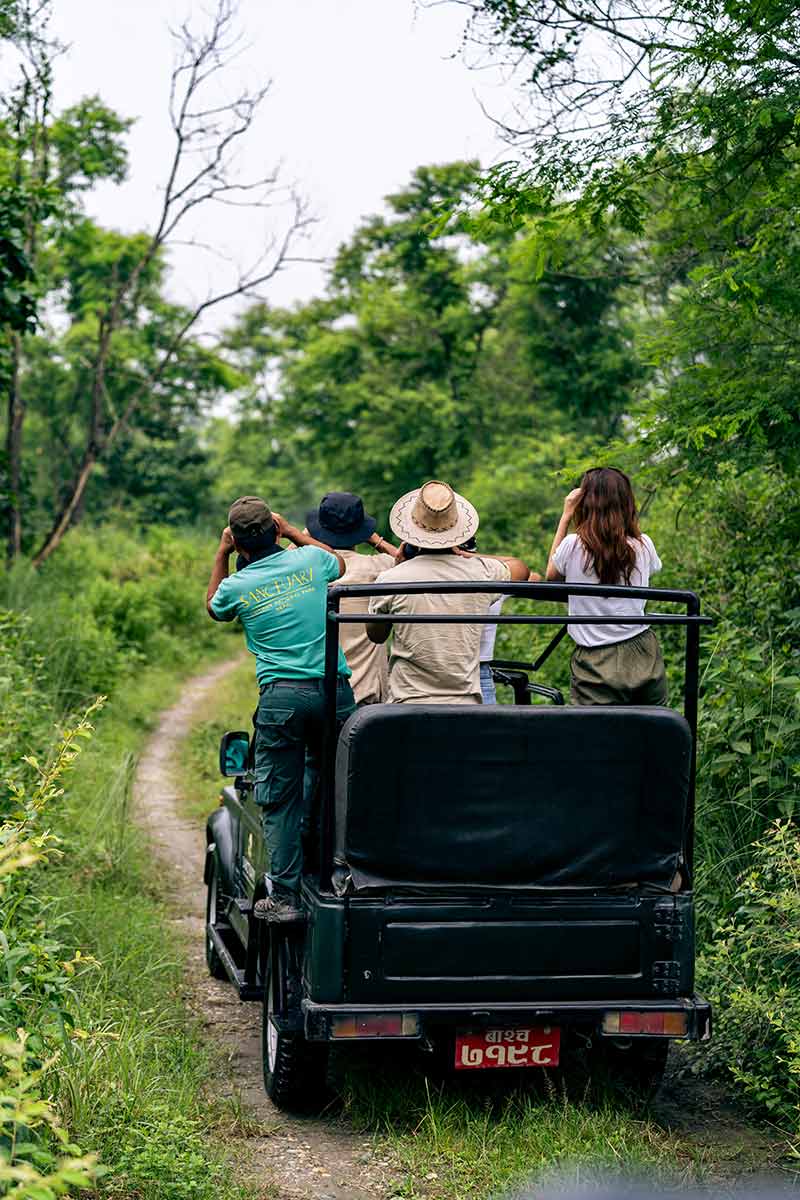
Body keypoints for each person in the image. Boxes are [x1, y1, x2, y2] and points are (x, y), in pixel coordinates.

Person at [206, 496, 356, 922]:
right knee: (338, 784)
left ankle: (287, 898)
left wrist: (221, 552)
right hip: (335, 691)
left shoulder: (237, 584)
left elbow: (214, 607)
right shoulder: (310, 559)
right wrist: (292, 532)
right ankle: (342, 875)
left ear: (237, 542)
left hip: (282, 699)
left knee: (280, 798)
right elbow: (340, 565)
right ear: (274, 529)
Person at [366, 480, 529, 704]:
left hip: (407, 704)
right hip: (465, 704)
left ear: (411, 536)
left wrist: (397, 568)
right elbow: (521, 569)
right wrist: (467, 556)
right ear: (458, 532)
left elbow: (376, 635)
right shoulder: (481, 573)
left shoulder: (391, 579)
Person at [543, 467, 667, 706]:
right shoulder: (643, 545)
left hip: (595, 658)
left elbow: (551, 575)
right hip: (643, 649)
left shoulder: (573, 545)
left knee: (596, 735)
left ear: (585, 502)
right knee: (650, 733)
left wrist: (566, 516)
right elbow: (651, 568)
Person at [305, 491, 399, 705]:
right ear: (362, 531)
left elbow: (280, 561)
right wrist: (378, 541)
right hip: (366, 698)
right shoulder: (379, 568)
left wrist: (303, 536)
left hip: (317, 695)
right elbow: (408, 563)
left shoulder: (306, 571)